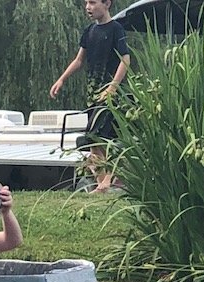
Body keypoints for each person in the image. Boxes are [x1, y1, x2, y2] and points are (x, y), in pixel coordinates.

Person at [49, 0, 130, 193]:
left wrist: (113, 87)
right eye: (86, 3)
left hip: (110, 97)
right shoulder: (89, 31)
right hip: (93, 96)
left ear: (107, 4)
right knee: (93, 142)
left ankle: (106, 183)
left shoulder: (116, 29)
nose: (88, 7)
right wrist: (61, 79)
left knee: (98, 138)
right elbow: (79, 60)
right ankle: (104, 184)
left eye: (93, 2)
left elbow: (125, 59)